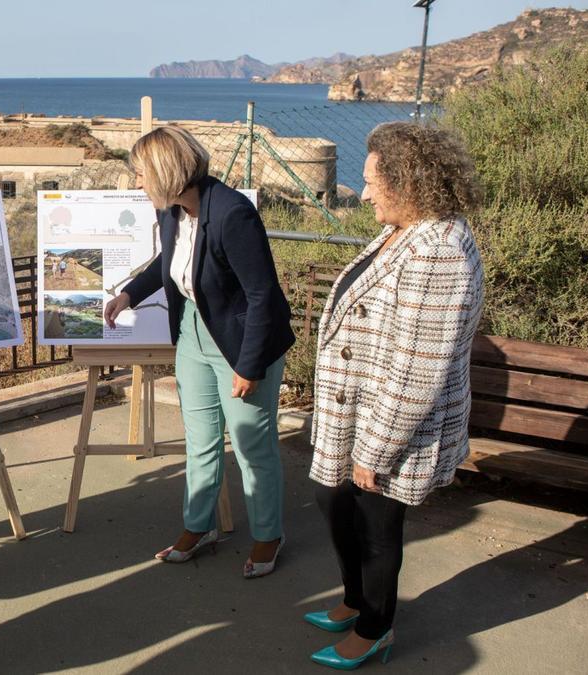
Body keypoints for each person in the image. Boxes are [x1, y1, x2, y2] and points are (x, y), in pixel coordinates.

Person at [304, 122, 484, 670]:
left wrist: (375, 451)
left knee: (376, 525)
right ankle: (356, 598)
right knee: (334, 502)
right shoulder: (410, 230)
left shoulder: (439, 251)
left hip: (390, 424)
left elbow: (417, 372)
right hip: (357, 410)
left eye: (372, 179)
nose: (363, 193)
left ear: (409, 180)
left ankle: (375, 626)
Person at [105, 127, 294, 577]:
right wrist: (129, 294)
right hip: (193, 331)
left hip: (242, 341)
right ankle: (199, 525)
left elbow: (263, 296)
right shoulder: (173, 211)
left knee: (252, 446)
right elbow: (170, 263)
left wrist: (249, 366)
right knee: (201, 441)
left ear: (168, 173)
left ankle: (268, 536)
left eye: (141, 175)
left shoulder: (232, 214)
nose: (137, 184)